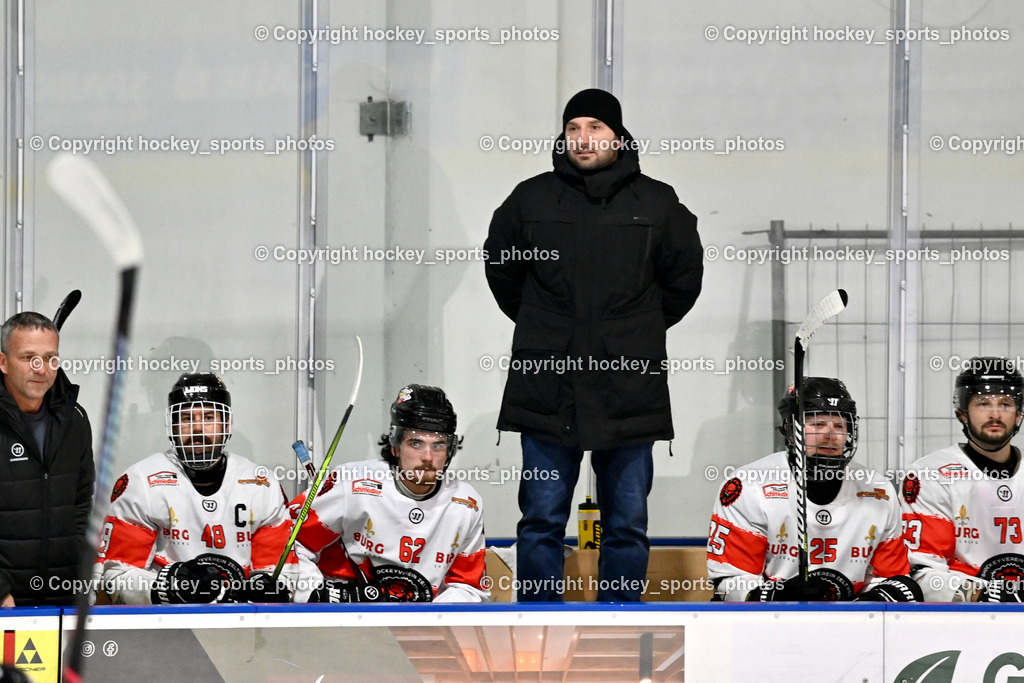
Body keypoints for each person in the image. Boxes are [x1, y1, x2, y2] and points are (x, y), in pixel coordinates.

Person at [484, 88, 703, 601]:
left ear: (618, 136)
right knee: (539, 519)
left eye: (596, 128)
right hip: (546, 387)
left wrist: (632, 331)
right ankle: (537, 626)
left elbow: (683, 281)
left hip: (629, 387)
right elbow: (503, 273)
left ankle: (621, 624)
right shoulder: (529, 199)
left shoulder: (658, 203)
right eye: (573, 128)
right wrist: (547, 328)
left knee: (626, 523)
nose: (583, 138)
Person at [707, 378, 920, 602]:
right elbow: (729, 584)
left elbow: (887, 578)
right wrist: (779, 596)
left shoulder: (878, 490)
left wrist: (860, 610)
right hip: (770, 622)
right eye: (817, 425)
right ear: (790, 431)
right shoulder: (749, 485)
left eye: (839, 426)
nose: (830, 434)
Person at [97, 373, 296, 603]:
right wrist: (171, 586)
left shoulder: (262, 484)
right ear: (172, 424)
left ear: (226, 423)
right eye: (186, 418)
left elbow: (280, 573)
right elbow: (117, 576)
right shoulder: (141, 481)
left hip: (242, 626)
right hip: (165, 627)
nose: (198, 429)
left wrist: (270, 587)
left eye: (209, 417)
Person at [294, 384, 489, 603]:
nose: (427, 456)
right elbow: (290, 542)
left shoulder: (466, 503)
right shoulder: (352, 483)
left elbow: (468, 586)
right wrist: (317, 592)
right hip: (346, 620)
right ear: (395, 446)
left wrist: (428, 620)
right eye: (416, 443)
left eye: (438, 445)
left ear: (450, 450)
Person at [901, 357, 1024, 602]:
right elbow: (923, 573)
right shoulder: (931, 474)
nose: (995, 413)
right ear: (963, 414)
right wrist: (989, 594)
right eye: (983, 404)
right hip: (962, 620)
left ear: (1019, 415)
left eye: (1006, 404)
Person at [0, 311, 94, 607]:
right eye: (29, 358)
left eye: (51, 358)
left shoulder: (75, 420)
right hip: (6, 603)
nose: (42, 369)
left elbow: (80, 505)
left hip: (62, 601)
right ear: (3, 362)